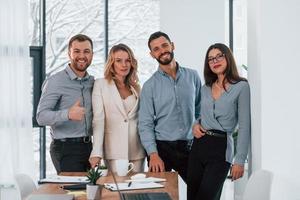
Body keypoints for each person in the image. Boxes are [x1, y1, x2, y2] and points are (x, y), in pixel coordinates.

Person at [187, 43, 251, 200]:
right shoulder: (205, 88)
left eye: (219, 56)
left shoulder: (241, 87)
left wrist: (240, 160)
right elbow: (202, 115)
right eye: (210, 59)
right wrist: (195, 125)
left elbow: (244, 125)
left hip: (221, 148)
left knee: (207, 197)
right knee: (192, 197)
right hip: (199, 146)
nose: (215, 61)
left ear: (227, 57)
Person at [138, 31, 201, 182]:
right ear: (152, 54)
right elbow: (145, 124)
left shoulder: (193, 76)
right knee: (159, 193)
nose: (162, 51)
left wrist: (197, 126)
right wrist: (153, 154)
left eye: (165, 45)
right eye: (156, 49)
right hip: (162, 148)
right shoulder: (149, 86)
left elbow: (200, 109)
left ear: (172, 46)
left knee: (198, 190)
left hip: (189, 146)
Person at [36, 34, 94, 174]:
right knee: (74, 193)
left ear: (92, 54)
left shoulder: (92, 82)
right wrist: (67, 114)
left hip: (88, 147)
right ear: (69, 53)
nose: (82, 56)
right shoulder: (55, 81)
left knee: (89, 193)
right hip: (65, 148)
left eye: (86, 51)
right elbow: (41, 117)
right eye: (77, 51)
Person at [89, 43, 145, 172]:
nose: (124, 65)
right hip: (113, 150)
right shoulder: (100, 84)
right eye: (119, 61)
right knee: (115, 190)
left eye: (127, 60)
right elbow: (98, 119)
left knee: (137, 189)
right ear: (111, 63)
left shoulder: (136, 87)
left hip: (137, 150)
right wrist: (96, 152)